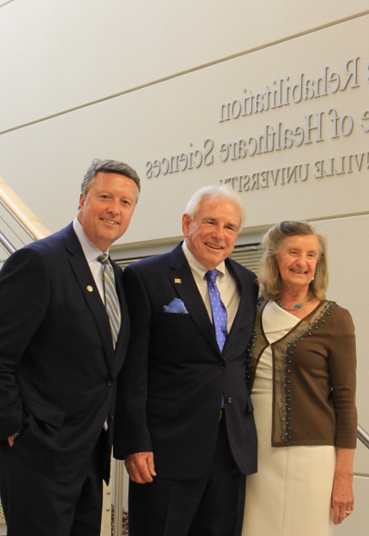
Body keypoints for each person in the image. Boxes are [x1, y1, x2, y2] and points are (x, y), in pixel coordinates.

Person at [0, 159, 141, 536]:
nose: (115, 208)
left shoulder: (116, 276)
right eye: (105, 197)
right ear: (82, 200)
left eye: (126, 203)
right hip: (37, 446)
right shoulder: (39, 262)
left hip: (87, 449)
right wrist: (14, 428)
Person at [115, 184, 258, 536]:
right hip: (166, 452)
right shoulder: (145, 277)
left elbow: (235, 362)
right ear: (186, 223)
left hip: (230, 451)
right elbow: (133, 368)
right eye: (211, 222)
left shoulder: (248, 282)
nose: (220, 235)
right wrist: (136, 441)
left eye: (230, 227)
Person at [242, 220, 357, 536]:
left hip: (311, 457)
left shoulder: (336, 318)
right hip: (253, 452)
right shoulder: (250, 310)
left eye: (311, 255)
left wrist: (343, 477)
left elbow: (346, 403)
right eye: (294, 252)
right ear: (274, 257)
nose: (302, 262)